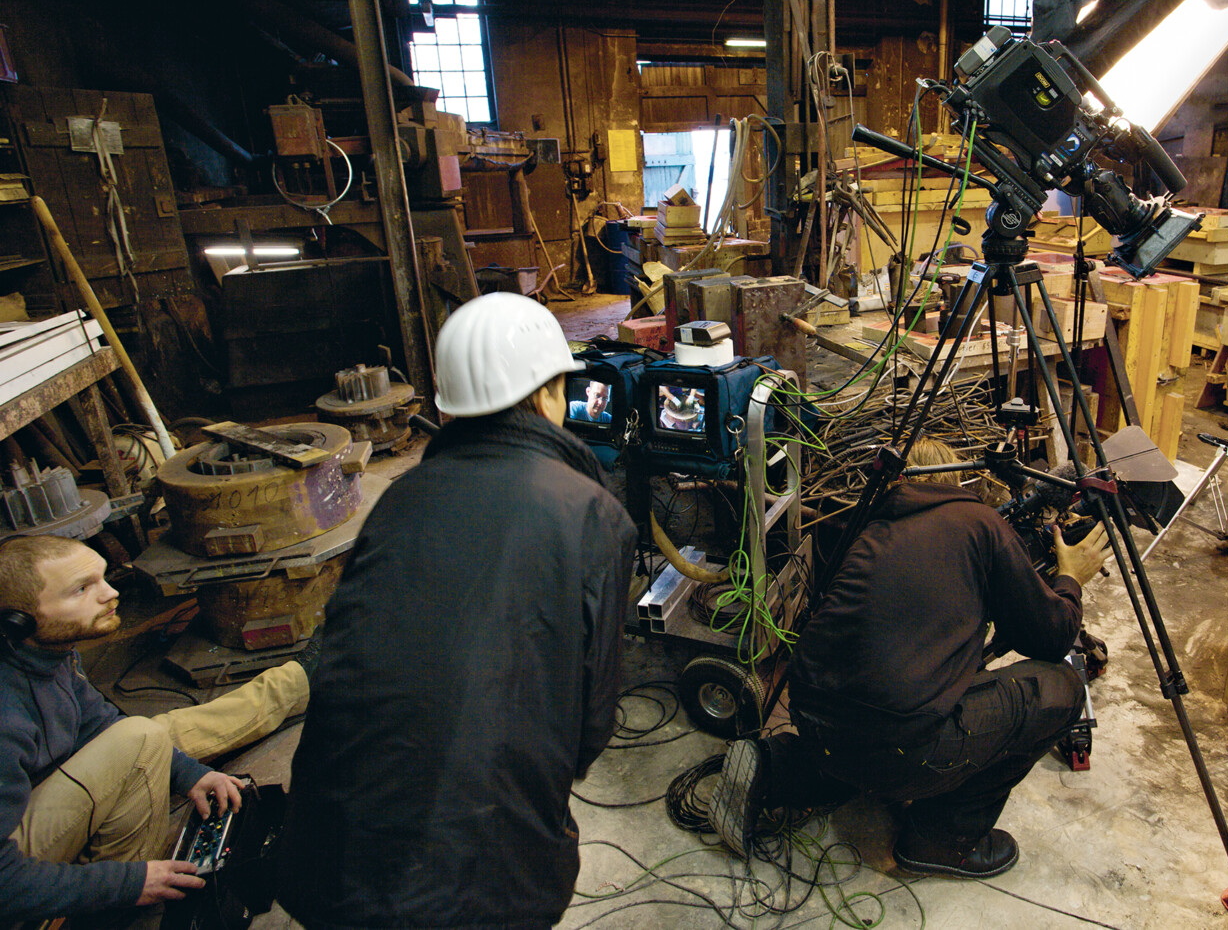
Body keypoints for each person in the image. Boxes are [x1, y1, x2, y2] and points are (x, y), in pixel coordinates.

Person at [276, 292, 638, 930]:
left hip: (324, 858)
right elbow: (590, 727)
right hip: (478, 884)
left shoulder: (398, 499)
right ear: (551, 391)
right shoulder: (591, 514)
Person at [708, 438, 1110, 879]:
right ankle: (941, 840)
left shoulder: (869, 525)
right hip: (902, 747)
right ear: (957, 477)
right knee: (1059, 688)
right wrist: (1070, 578)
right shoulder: (979, 521)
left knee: (879, 710)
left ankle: (776, 766)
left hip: (814, 719)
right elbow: (1050, 638)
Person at [0, 534, 309, 924]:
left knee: (146, 738)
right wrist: (129, 882)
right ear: (19, 620)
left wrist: (190, 774)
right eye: (82, 589)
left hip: (29, 809)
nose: (111, 594)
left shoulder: (48, 651)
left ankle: (299, 682)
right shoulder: (5, 714)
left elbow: (97, 723)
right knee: (142, 739)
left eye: (101, 577)